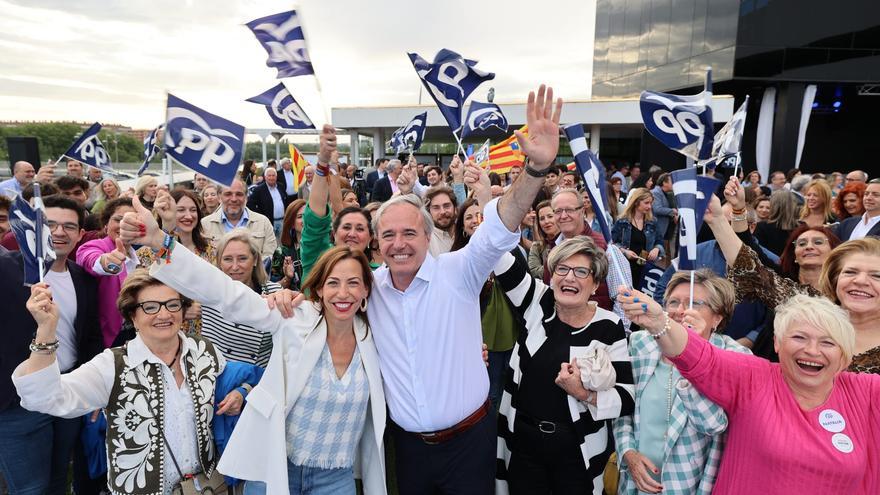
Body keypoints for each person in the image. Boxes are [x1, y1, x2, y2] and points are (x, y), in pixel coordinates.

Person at [271, 87, 564, 494]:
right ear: (377, 243)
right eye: (388, 235)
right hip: (406, 450)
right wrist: (290, 297)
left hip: (469, 443)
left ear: (429, 237)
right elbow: (321, 262)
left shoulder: (459, 271)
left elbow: (500, 226)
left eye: (410, 232)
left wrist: (535, 170)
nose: (399, 243)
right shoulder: (368, 290)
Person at [120, 203, 388, 495]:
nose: (343, 293)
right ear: (319, 289)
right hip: (274, 469)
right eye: (333, 283)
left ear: (365, 291)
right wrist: (161, 241)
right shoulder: (295, 319)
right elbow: (226, 293)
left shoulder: (373, 338)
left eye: (353, 283)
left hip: (335, 479)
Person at [12, 269, 252, 495]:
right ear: (132, 316)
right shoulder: (112, 366)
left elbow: (240, 382)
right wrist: (46, 330)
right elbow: (45, 399)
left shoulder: (205, 351)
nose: (164, 314)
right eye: (150, 307)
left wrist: (241, 393)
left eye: (172, 304)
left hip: (207, 487)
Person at [618, 289, 880, 494]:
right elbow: (700, 357)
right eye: (799, 337)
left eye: (828, 342)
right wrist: (658, 322)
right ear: (777, 342)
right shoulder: (754, 378)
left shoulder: (867, 393)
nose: (812, 351)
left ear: (845, 353)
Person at [493, 236, 634, 494]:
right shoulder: (536, 302)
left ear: (595, 285)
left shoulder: (608, 326)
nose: (569, 278)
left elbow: (626, 397)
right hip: (524, 446)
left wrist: (583, 394)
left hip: (577, 450)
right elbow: (498, 257)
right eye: (562, 268)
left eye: (581, 271)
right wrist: (487, 203)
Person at [708, 177, 880, 371]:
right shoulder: (809, 304)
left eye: (876, 276)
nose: (860, 281)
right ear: (837, 274)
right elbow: (749, 265)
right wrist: (718, 219)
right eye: (851, 272)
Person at [0, 196, 103, 495]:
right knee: (31, 489)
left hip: (67, 390)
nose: (60, 232)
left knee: (60, 479)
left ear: (80, 234)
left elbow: (92, 337)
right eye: (51, 224)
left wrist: (92, 387)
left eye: (69, 226)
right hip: (17, 404)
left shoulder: (84, 278)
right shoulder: (7, 269)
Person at [615, 269, 749, 494]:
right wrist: (627, 453)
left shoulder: (735, 358)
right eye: (673, 302)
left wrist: (692, 356)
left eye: (694, 303)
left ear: (717, 317)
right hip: (636, 483)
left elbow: (713, 425)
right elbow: (623, 409)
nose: (679, 310)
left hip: (691, 485)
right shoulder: (641, 343)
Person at [301, 149, 377, 284]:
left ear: (370, 237)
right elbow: (315, 218)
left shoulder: (380, 276)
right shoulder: (318, 259)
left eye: (360, 229)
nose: (352, 234)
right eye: (346, 227)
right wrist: (323, 165)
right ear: (334, 232)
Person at [75, 197, 137, 347]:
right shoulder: (95, 246)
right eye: (118, 219)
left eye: (132, 220)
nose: (124, 225)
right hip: (107, 339)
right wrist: (107, 263)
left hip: (137, 334)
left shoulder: (142, 255)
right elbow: (90, 259)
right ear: (105, 225)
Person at [202, 179, 277, 260]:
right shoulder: (204, 225)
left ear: (246, 198)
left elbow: (270, 256)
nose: (234, 199)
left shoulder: (263, 223)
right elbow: (203, 258)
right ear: (219, 198)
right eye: (228, 194)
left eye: (239, 194)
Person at [614, 187, 664, 287]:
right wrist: (625, 251)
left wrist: (657, 249)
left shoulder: (652, 222)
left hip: (645, 268)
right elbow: (613, 243)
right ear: (636, 202)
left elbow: (659, 240)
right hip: (625, 268)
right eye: (646, 203)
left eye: (651, 203)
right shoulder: (622, 222)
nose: (649, 206)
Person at [778, 225, 841, 289]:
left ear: (833, 251)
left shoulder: (844, 289)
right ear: (794, 255)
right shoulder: (779, 287)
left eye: (818, 242)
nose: (809, 247)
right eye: (802, 244)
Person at [754, 190, 800, 256]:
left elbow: (757, 253)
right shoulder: (801, 227)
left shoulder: (762, 227)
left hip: (769, 265)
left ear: (773, 205)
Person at [247, 167, 290, 237]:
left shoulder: (280, 186)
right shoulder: (259, 189)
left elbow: (286, 201)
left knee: (282, 244)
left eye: (273, 175)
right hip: (268, 223)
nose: (271, 178)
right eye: (269, 175)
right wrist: (260, 214)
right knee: (270, 244)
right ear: (265, 177)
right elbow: (249, 204)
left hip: (282, 221)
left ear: (276, 177)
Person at [275, 199, 306, 291]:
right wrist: (287, 278)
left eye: (308, 216)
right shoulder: (282, 253)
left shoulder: (324, 247)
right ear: (292, 223)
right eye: (300, 216)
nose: (305, 220)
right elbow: (272, 288)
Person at [528, 200, 558, 278]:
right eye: (542, 219)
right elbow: (534, 271)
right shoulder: (537, 246)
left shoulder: (570, 241)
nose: (546, 221)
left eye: (550, 216)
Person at [425, 186, 459, 256]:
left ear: (455, 208)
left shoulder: (466, 232)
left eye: (446, 206)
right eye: (436, 208)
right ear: (429, 212)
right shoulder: (425, 239)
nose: (442, 212)